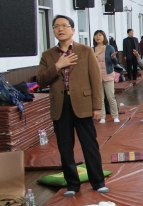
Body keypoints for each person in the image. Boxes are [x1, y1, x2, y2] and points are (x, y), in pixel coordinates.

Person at [37, 15, 109, 196]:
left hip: (83, 103)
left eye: (64, 25)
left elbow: (95, 80)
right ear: (53, 31)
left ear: (72, 30)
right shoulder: (47, 55)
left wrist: (97, 107)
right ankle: (72, 185)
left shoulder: (85, 51)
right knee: (65, 147)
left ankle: (98, 181)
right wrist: (58, 66)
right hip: (60, 105)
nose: (60, 29)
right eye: (56, 26)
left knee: (89, 145)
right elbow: (41, 80)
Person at [92, 30, 119, 124]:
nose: (98, 37)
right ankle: (102, 116)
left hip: (108, 75)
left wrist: (113, 58)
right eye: (96, 35)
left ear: (104, 37)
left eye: (100, 35)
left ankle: (115, 115)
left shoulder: (109, 47)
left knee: (111, 97)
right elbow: (90, 61)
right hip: (97, 76)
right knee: (100, 98)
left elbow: (116, 62)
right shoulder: (92, 49)